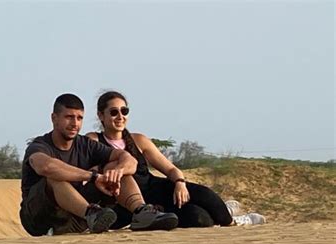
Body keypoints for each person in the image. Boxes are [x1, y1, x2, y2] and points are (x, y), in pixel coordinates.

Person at [86, 90, 265, 228]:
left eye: (124, 111)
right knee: (199, 218)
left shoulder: (139, 140)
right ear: (101, 116)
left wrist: (179, 182)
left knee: (204, 194)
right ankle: (221, 212)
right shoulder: (94, 140)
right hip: (129, 202)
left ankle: (232, 220)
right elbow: (90, 170)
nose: (120, 116)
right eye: (114, 112)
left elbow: (170, 169)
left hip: (153, 188)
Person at [20, 93, 179, 236]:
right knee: (54, 177)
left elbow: (128, 159)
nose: (75, 123)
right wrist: (93, 176)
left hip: (73, 217)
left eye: (79, 118)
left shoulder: (85, 144)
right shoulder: (39, 146)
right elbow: (46, 167)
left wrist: (117, 171)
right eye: (69, 117)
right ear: (54, 118)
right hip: (39, 218)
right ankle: (92, 214)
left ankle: (141, 212)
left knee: (112, 167)